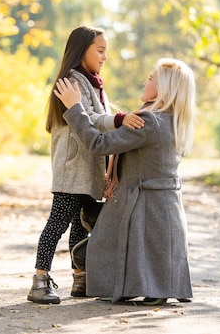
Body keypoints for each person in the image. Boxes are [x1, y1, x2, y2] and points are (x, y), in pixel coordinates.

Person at [53, 57, 196, 305]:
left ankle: (134, 285)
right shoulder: (172, 121)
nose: (145, 82)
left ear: (163, 88)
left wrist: (75, 108)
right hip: (164, 213)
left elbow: (98, 144)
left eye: (150, 78)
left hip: (140, 207)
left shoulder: (149, 121)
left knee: (84, 253)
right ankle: (147, 285)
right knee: (94, 226)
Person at [27, 26, 145, 305]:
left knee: (80, 227)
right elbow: (90, 118)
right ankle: (40, 280)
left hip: (85, 168)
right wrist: (119, 119)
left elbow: (97, 114)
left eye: (106, 51)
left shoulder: (91, 82)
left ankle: (80, 278)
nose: (104, 57)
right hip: (73, 169)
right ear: (82, 50)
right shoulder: (73, 80)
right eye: (100, 50)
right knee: (58, 223)